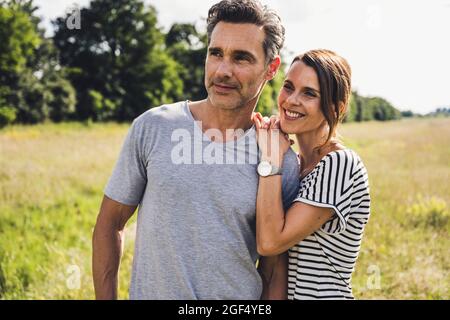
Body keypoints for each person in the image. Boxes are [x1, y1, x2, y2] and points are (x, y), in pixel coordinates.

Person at [92, 0, 299, 300]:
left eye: (241, 58)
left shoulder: (280, 161)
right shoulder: (153, 127)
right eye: (216, 54)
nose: (223, 71)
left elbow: (273, 270)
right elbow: (109, 224)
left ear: (271, 68)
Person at [253, 49, 371, 300]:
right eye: (288, 87)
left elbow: (270, 242)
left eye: (309, 93)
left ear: (335, 107)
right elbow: (272, 267)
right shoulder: (294, 166)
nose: (291, 100)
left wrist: (270, 158)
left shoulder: (340, 164)